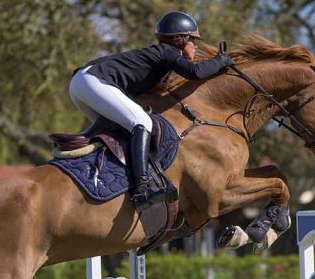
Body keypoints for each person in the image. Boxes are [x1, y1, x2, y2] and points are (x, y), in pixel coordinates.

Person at [69, 11, 234, 210]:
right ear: (180, 40)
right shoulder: (166, 52)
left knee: (119, 131)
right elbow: (195, 72)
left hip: (82, 83)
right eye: (192, 40)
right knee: (142, 123)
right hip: (93, 81)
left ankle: (104, 177)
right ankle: (142, 190)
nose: (194, 45)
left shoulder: (160, 58)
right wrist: (222, 61)